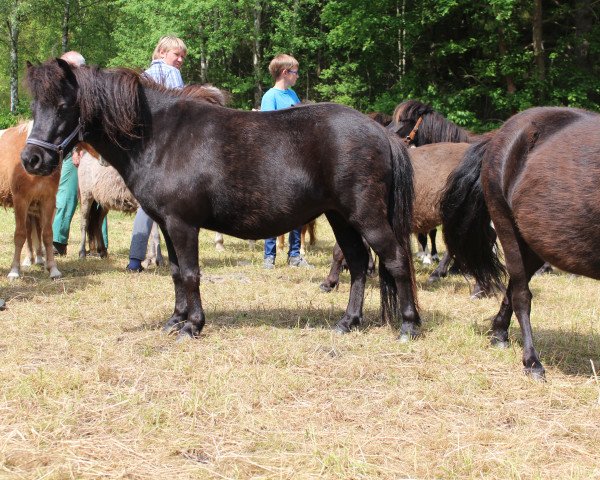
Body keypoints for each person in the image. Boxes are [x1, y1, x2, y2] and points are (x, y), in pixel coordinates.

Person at [125, 35, 187, 272]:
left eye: (182, 56)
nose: (179, 60)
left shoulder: (143, 78)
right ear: (161, 52)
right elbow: (182, 106)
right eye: (176, 54)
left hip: (147, 147)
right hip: (169, 145)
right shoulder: (171, 73)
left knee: (147, 204)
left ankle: (134, 259)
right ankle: (178, 258)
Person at [52, 50, 108, 256]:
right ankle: (59, 240)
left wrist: (79, 149)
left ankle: (97, 244)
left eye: (67, 66)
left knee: (101, 195)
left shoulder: (86, 89)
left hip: (90, 149)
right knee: (67, 194)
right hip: (76, 147)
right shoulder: (68, 88)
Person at [261, 54, 312, 269]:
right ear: (285, 73)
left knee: (297, 208)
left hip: (295, 159)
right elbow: (265, 130)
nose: (297, 76)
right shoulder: (270, 97)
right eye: (295, 72)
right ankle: (269, 256)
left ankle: (295, 256)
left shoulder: (292, 94)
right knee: (273, 208)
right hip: (275, 160)